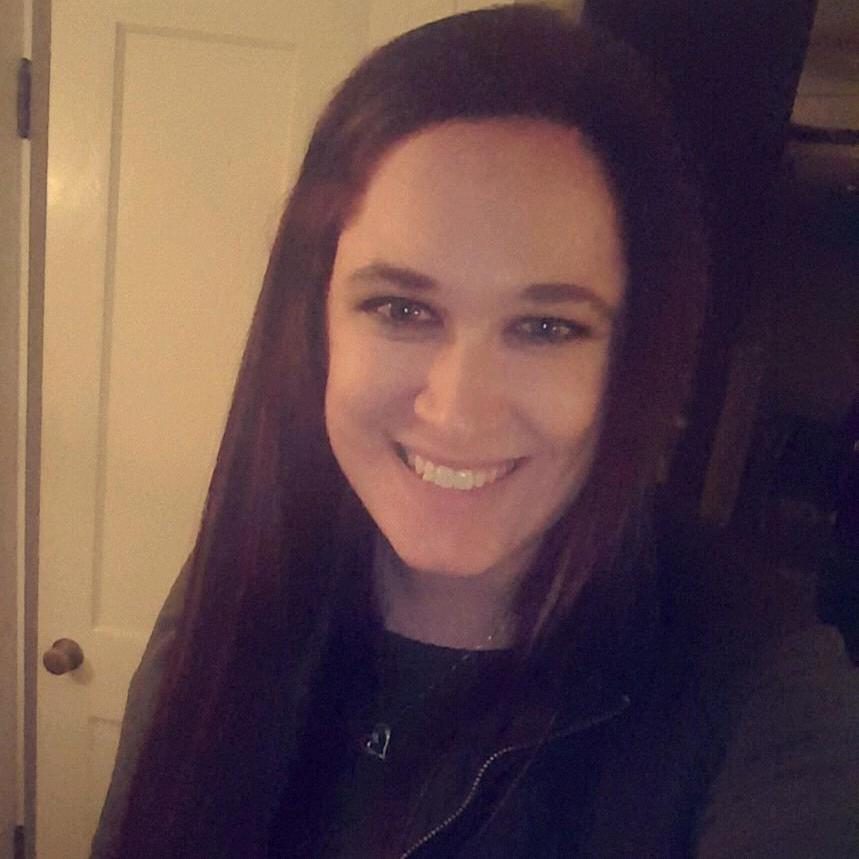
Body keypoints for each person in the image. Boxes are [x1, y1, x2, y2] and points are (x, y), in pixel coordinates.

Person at [91, 6, 859, 858]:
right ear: (314, 325)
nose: (458, 411)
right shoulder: (240, 587)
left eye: (545, 327)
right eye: (401, 308)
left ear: (628, 355)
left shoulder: (762, 690)